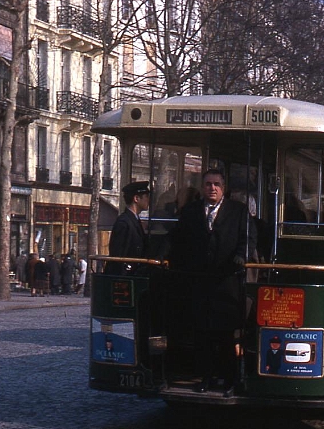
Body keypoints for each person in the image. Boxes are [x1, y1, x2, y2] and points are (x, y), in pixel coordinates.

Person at [168, 168, 250, 393]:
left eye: (216, 184)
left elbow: (247, 238)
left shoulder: (238, 211)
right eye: (207, 184)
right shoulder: (191, 211)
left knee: (225, 335)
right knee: (202, 334)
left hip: (227, 281)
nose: (211, 188)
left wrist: (241, 256)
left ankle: (230, 379)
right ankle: (206, 378)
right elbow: (179, 239)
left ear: (224, 188)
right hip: (200, 282)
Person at [106, 181, 150, 274]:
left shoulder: (135, 220)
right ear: (136, 198)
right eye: (146, 196)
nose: (148, 200)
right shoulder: (124, 222)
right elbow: (118, 254)